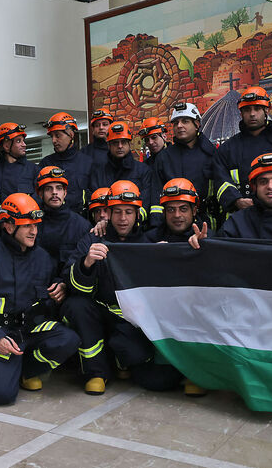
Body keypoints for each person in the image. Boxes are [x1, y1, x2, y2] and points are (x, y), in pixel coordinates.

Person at [63, 180, 182, 394]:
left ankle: (122, 360)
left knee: (146, 368)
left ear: (138, 214)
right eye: (117, 212)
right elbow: (75, 287)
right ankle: (96, 373)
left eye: (129, 211)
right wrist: (86, 264)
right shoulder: (92, 239)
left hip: (130, 320)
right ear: (107, 214)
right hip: (96, 312)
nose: (123, 218)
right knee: (76, 305)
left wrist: (163, 257)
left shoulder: (146, 242)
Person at [0, 193, 80, 405]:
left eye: (36, 225)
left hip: (29, 330)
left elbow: (51, 281)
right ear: (8, 226)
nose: (34, 231)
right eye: (27, 225)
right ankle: (0, 372)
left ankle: (26, 369)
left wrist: (60, 286)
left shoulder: (42, 257)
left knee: (68, 339)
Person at [213, 86, 272, 214]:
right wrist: (236, 200)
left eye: (257, 108)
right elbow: (220, 180)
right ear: (241, 113)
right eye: (247, 110)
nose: (252, 114)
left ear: (267, 110)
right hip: (240, 215)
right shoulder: (227, 149)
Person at [158, 102, 218, 225]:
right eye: (176, 123)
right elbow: (156, 194)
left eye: (185, 121)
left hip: (206, 222)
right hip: (173, 223)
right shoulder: (164, 157)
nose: (179, 126)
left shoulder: (212, 154)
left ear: (197, 125)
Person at [88, 121, 156, 225]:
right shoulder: (98, 172)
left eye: (123, 142)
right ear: (109, 145)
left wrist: (135, 223)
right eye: (115, 142)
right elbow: (96, 204)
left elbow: (146, 202)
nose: (120, 146)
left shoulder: (143, 171)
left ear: (129, 144)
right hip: (104, 229)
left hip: (137, 230)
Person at [34, 166, 91, 281]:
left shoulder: (82, 226)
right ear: (40, 194)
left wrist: (64, 285)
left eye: (59, 188)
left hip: (69, 288)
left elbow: (81, 266)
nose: (54, 193)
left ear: (65, 193)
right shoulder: (32, 224)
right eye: (49, 189)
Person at [39, 112, 92, 214]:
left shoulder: (87, 162)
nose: (54, 140)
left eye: (58, 136)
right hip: (52, 220)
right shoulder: (45, 163)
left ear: (71, 135)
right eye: (52, 136)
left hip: (81, 221)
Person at [0, 122, 38, 225]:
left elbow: (38, 200)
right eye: (19, 141)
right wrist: (1, 223)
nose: (24, 145)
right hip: (0, 229)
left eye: (23, 141)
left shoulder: (34, 170)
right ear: (6, 145)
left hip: (27, 226)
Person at [146, 178, 205, 243]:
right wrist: (153, 251)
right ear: (164, 212)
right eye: (171, 210)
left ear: (194, 211)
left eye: (183, 209)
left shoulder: (207, 236)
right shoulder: (150, 239)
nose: (177, 215)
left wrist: (203, 245)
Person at [140, 116, 170, 187]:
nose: (150, 142)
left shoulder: (175, 158)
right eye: (147, 140)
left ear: (164, 136)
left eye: (154, 137)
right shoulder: (145, 166)